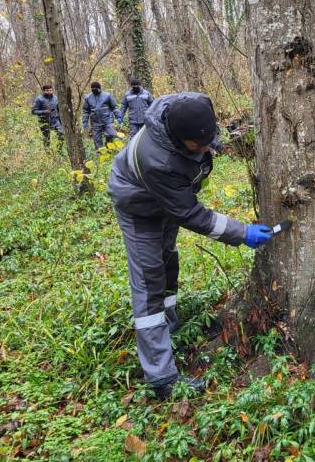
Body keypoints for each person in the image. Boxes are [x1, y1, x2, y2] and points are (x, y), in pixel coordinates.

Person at [107, 92, 273, 400]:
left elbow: (202, 143)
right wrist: (241, 233)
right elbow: (189, 214)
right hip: (138, 205)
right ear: (179, 138)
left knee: (169, 263)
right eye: (200, 146)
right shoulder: (157, 160)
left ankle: (171, 331)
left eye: (210, 140)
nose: (208, 148)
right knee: (149, 278)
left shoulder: (195, 105)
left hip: (169, 198)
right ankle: (162, 378)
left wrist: (212, 143)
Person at [82, 81, 121, 149]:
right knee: (97, 140)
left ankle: (109, 150)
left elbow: (114, 107)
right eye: (92, 88)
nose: (94, 90)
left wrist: (118, 116)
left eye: (96, 88)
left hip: (107, 120)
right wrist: (85, 123)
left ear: (99, 88)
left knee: (111, 135)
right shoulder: (88, 97)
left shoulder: (107, 95)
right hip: (95, 122)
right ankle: (100, 155)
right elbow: (86, 111)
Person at [31, 85, 65, 152]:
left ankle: (59, 150)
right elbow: (33, 111)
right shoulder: (39, 99)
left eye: (51, 90)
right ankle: (48, 153)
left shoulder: (56, 98)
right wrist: (44, 111)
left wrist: (61, 121)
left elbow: (59, 110)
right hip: (44, 122)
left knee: (61, 134)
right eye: (47, 90)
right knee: (47, 138)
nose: (49, 92)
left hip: (55, 121)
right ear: (43, 91)